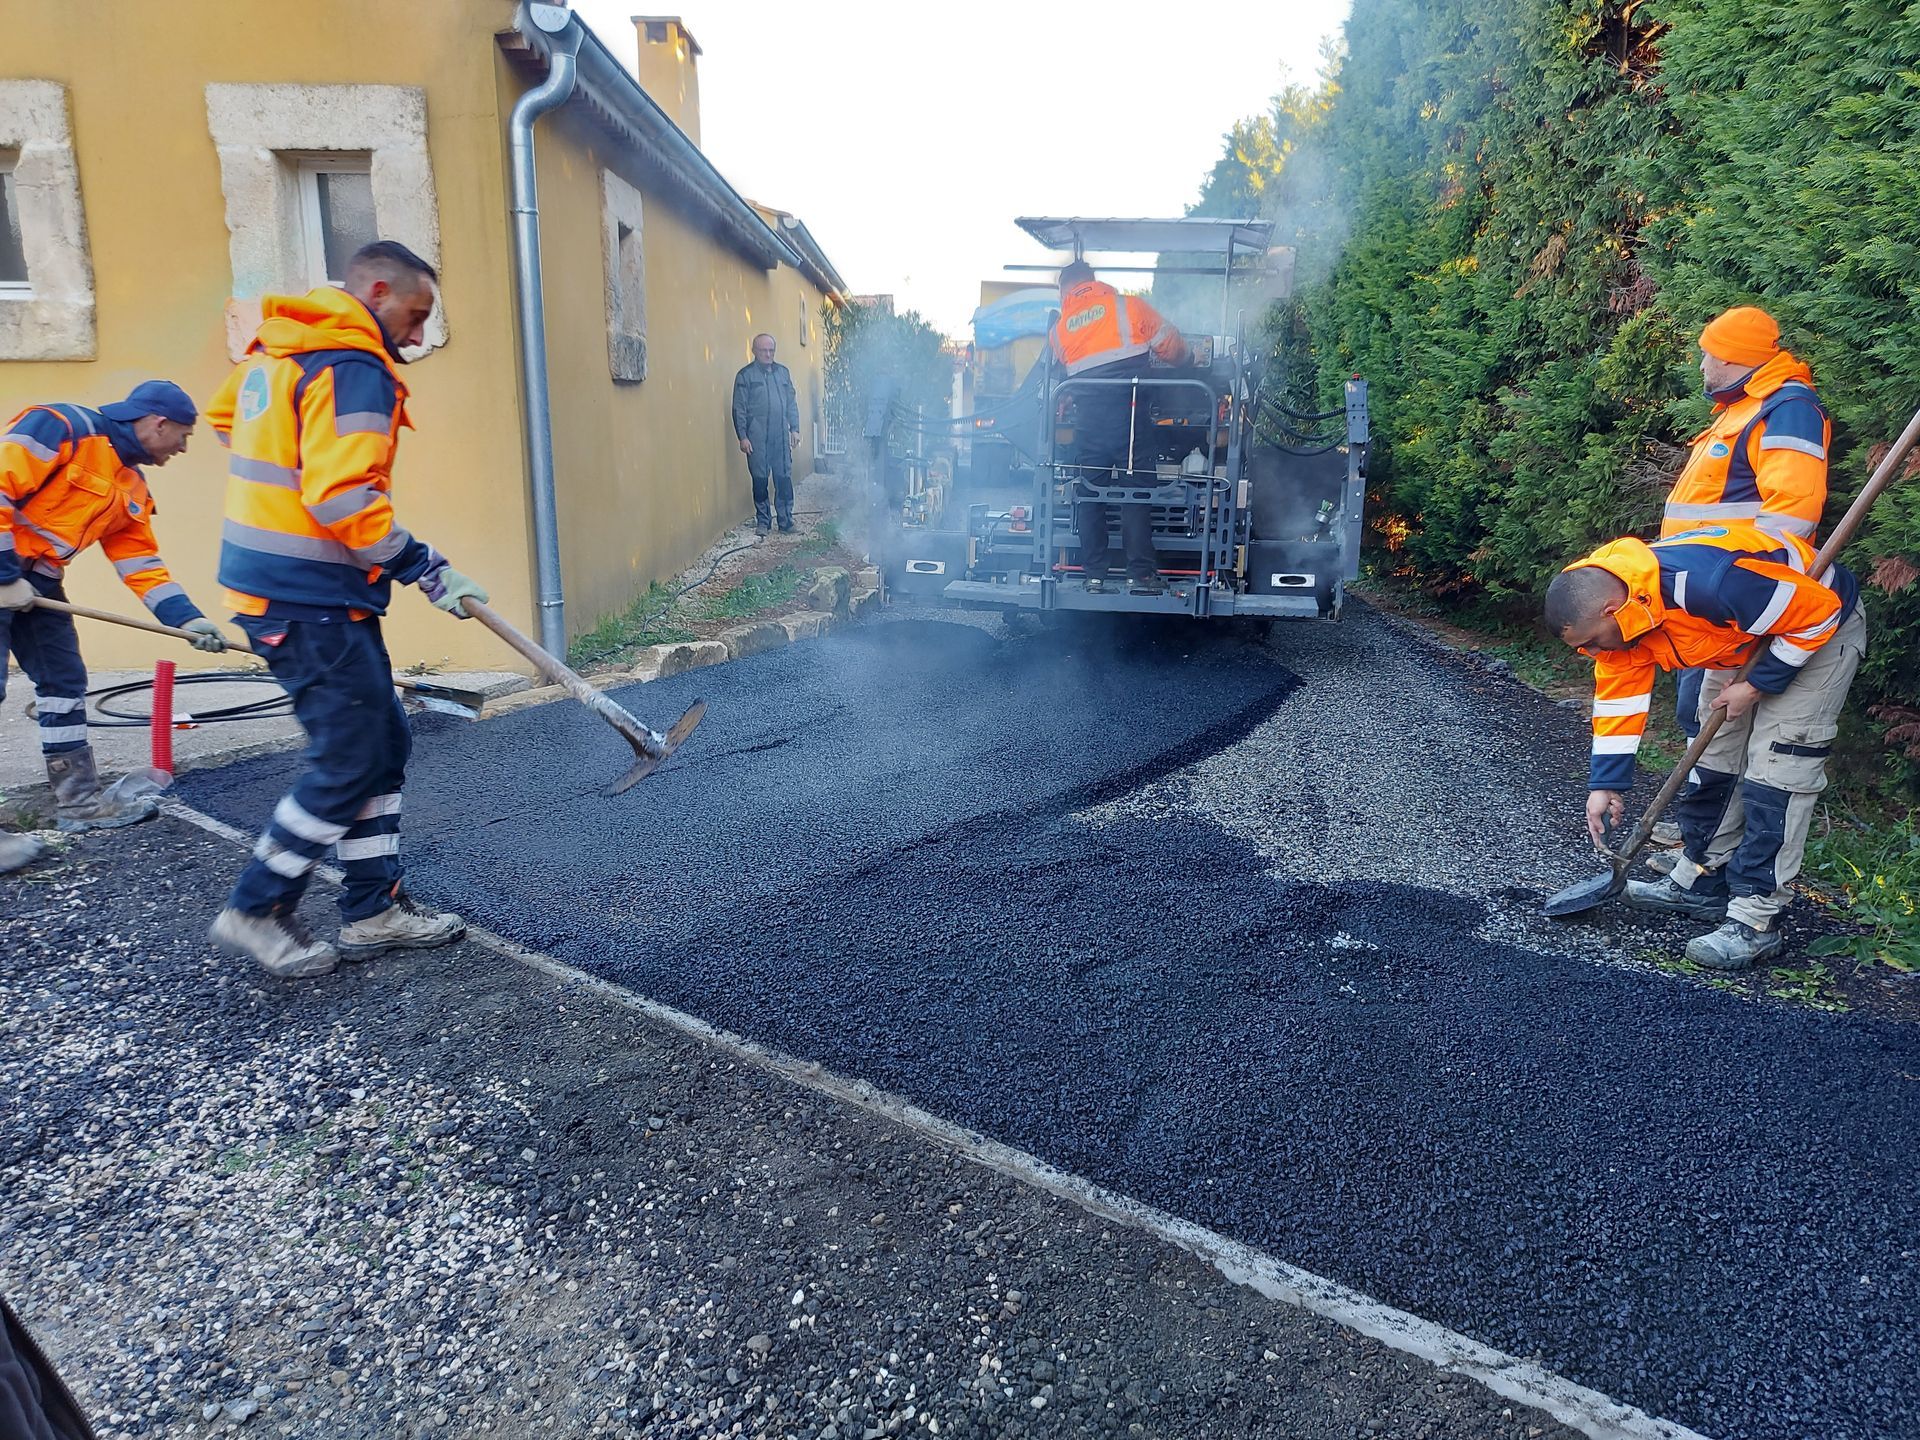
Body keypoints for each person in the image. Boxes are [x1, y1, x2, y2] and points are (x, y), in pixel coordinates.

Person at [204, 240, 488, 980]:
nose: (419, 336)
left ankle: (371, 910)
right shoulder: (354, 363)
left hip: (299, 584)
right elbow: (339, 497)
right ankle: (258, 906)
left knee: (381, 744)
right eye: (416, 316)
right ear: (380, 289)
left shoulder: (279, 352)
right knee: (351, 753)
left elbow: (226, 420)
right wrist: (421, 565)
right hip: (306, 594)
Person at [1545, 523, 1866, 970]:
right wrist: (1605, 784)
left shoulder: (1711, 582)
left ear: (1611, 609)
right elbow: (1620, 701)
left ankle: (1755, 920)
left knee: (1778, 772)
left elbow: (1819, 615)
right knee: (1713, 757)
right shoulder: (1622, 624)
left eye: (1591, 641)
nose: (1591, 651)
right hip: (1737, 638)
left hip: (1816, 629)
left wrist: (1755, 684)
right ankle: (1701, 879)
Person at [0, 380, 228, 871]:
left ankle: (79, 803)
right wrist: (2, 575)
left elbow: (142, 564)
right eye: (183, 437)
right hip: (4, 571)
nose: (183, 449)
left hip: (36, 582)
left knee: (63, 682)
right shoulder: (60, 426)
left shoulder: (131, 487)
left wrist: (189, 620)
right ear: (157, 423)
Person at [1050, 260, 1190, 595]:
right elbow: (1172, 345)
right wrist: (1189, 363)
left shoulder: (1060, 328)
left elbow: (1062, 377)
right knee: (1136, 493)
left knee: (1089, 495)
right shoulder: (1129, 307)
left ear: (1067, 290)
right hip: (1129, 420)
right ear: (1092, 281)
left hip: (1089, 425)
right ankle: (1140, 575)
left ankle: (1094, 575)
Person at [731, 333, 801, 534]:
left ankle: (786, 521)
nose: (768, 354)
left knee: (784, 478)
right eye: (764, 350)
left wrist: (794, 429)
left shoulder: (783, 373)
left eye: (771, 350)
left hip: (780, 436)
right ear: (754, 351)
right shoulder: (745, 376)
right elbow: (739, 408)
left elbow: (791, 403)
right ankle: (763, 521)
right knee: (760, 479)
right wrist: (742, 436)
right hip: (757, 437)